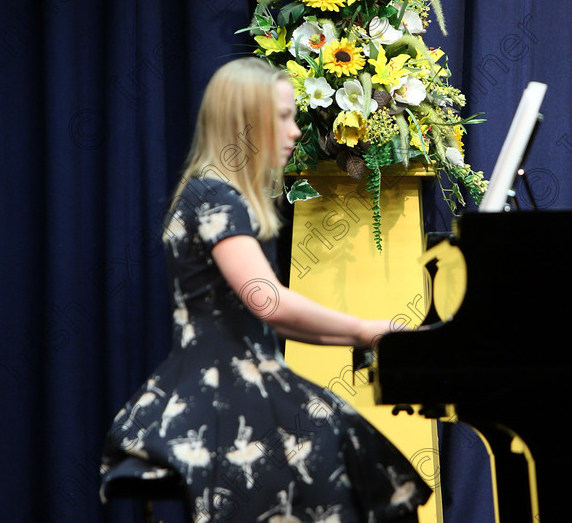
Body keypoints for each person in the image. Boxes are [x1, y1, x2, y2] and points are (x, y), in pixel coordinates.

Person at [100, 57, 432, 522]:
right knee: (343, 454)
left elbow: (266, 315)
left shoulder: (211, 195)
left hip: (238, 379)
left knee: (358, 450)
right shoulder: (215, 196)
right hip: (220, 391)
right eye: (283, 117)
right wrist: (365, 328)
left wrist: (373, 336)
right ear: (244, 123)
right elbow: (267, 300)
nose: (295, 131)